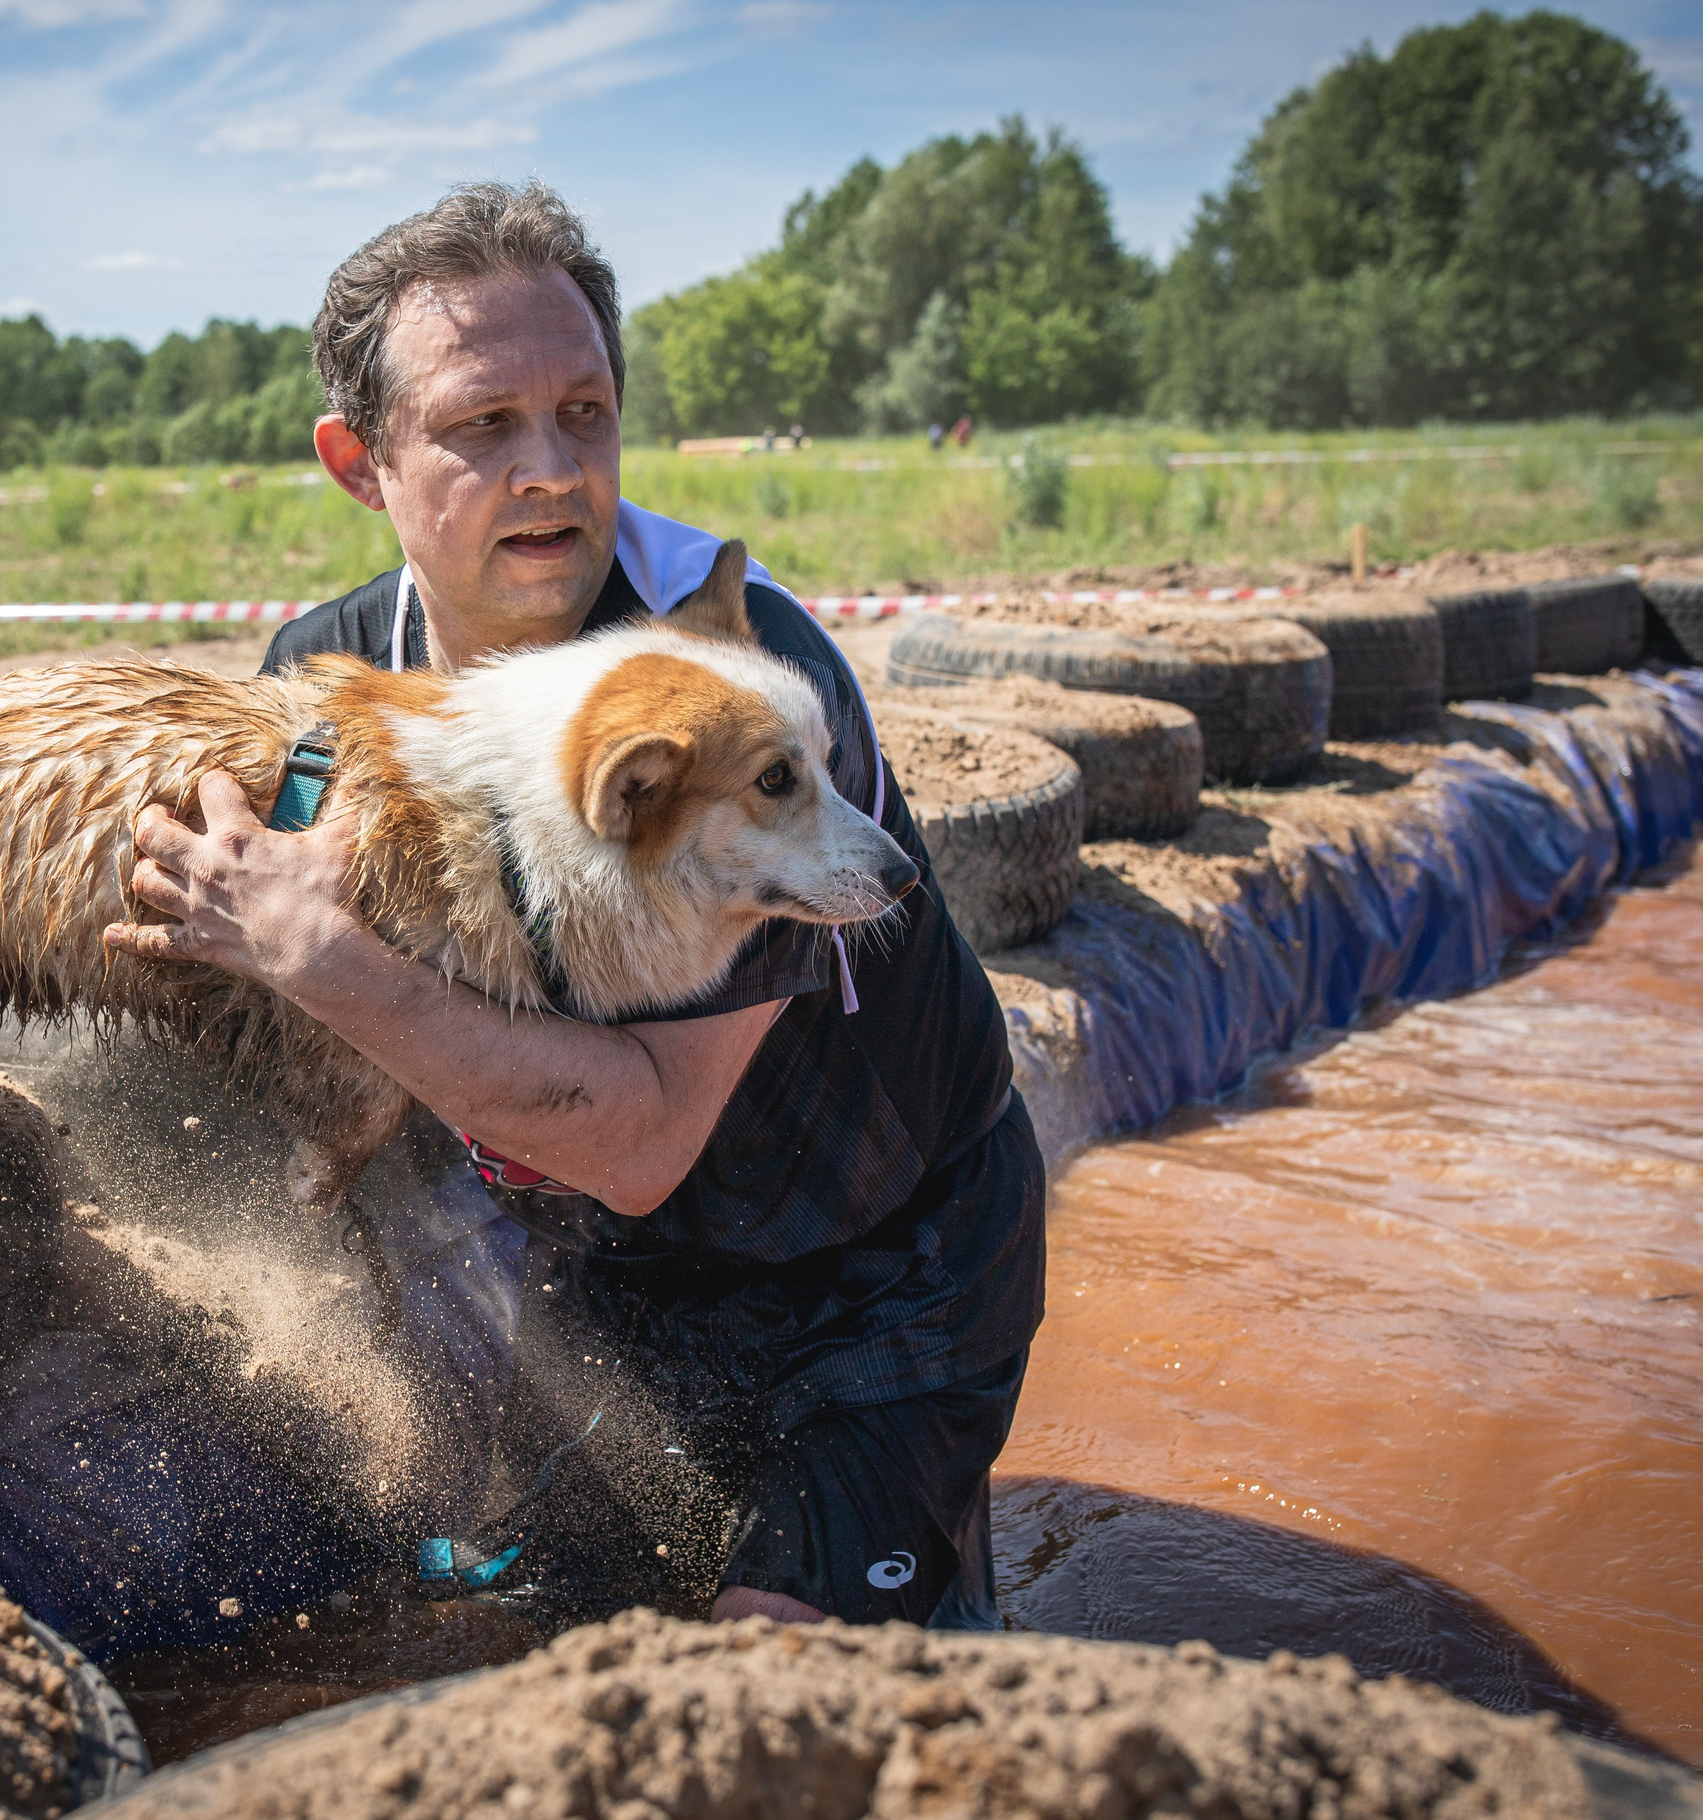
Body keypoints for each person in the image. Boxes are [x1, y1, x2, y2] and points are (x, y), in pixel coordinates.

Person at [103, 181, 1043, 1630]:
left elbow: (645, 1140)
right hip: (610, 1284)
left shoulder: (741, 676)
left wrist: (319, 953)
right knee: (525, 1642)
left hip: (882, 1266)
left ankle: (918, 1567)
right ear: (360, 462)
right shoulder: (323, 675)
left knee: (781, 1686)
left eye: (584, 413)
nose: (550, 471)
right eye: (484, 424)